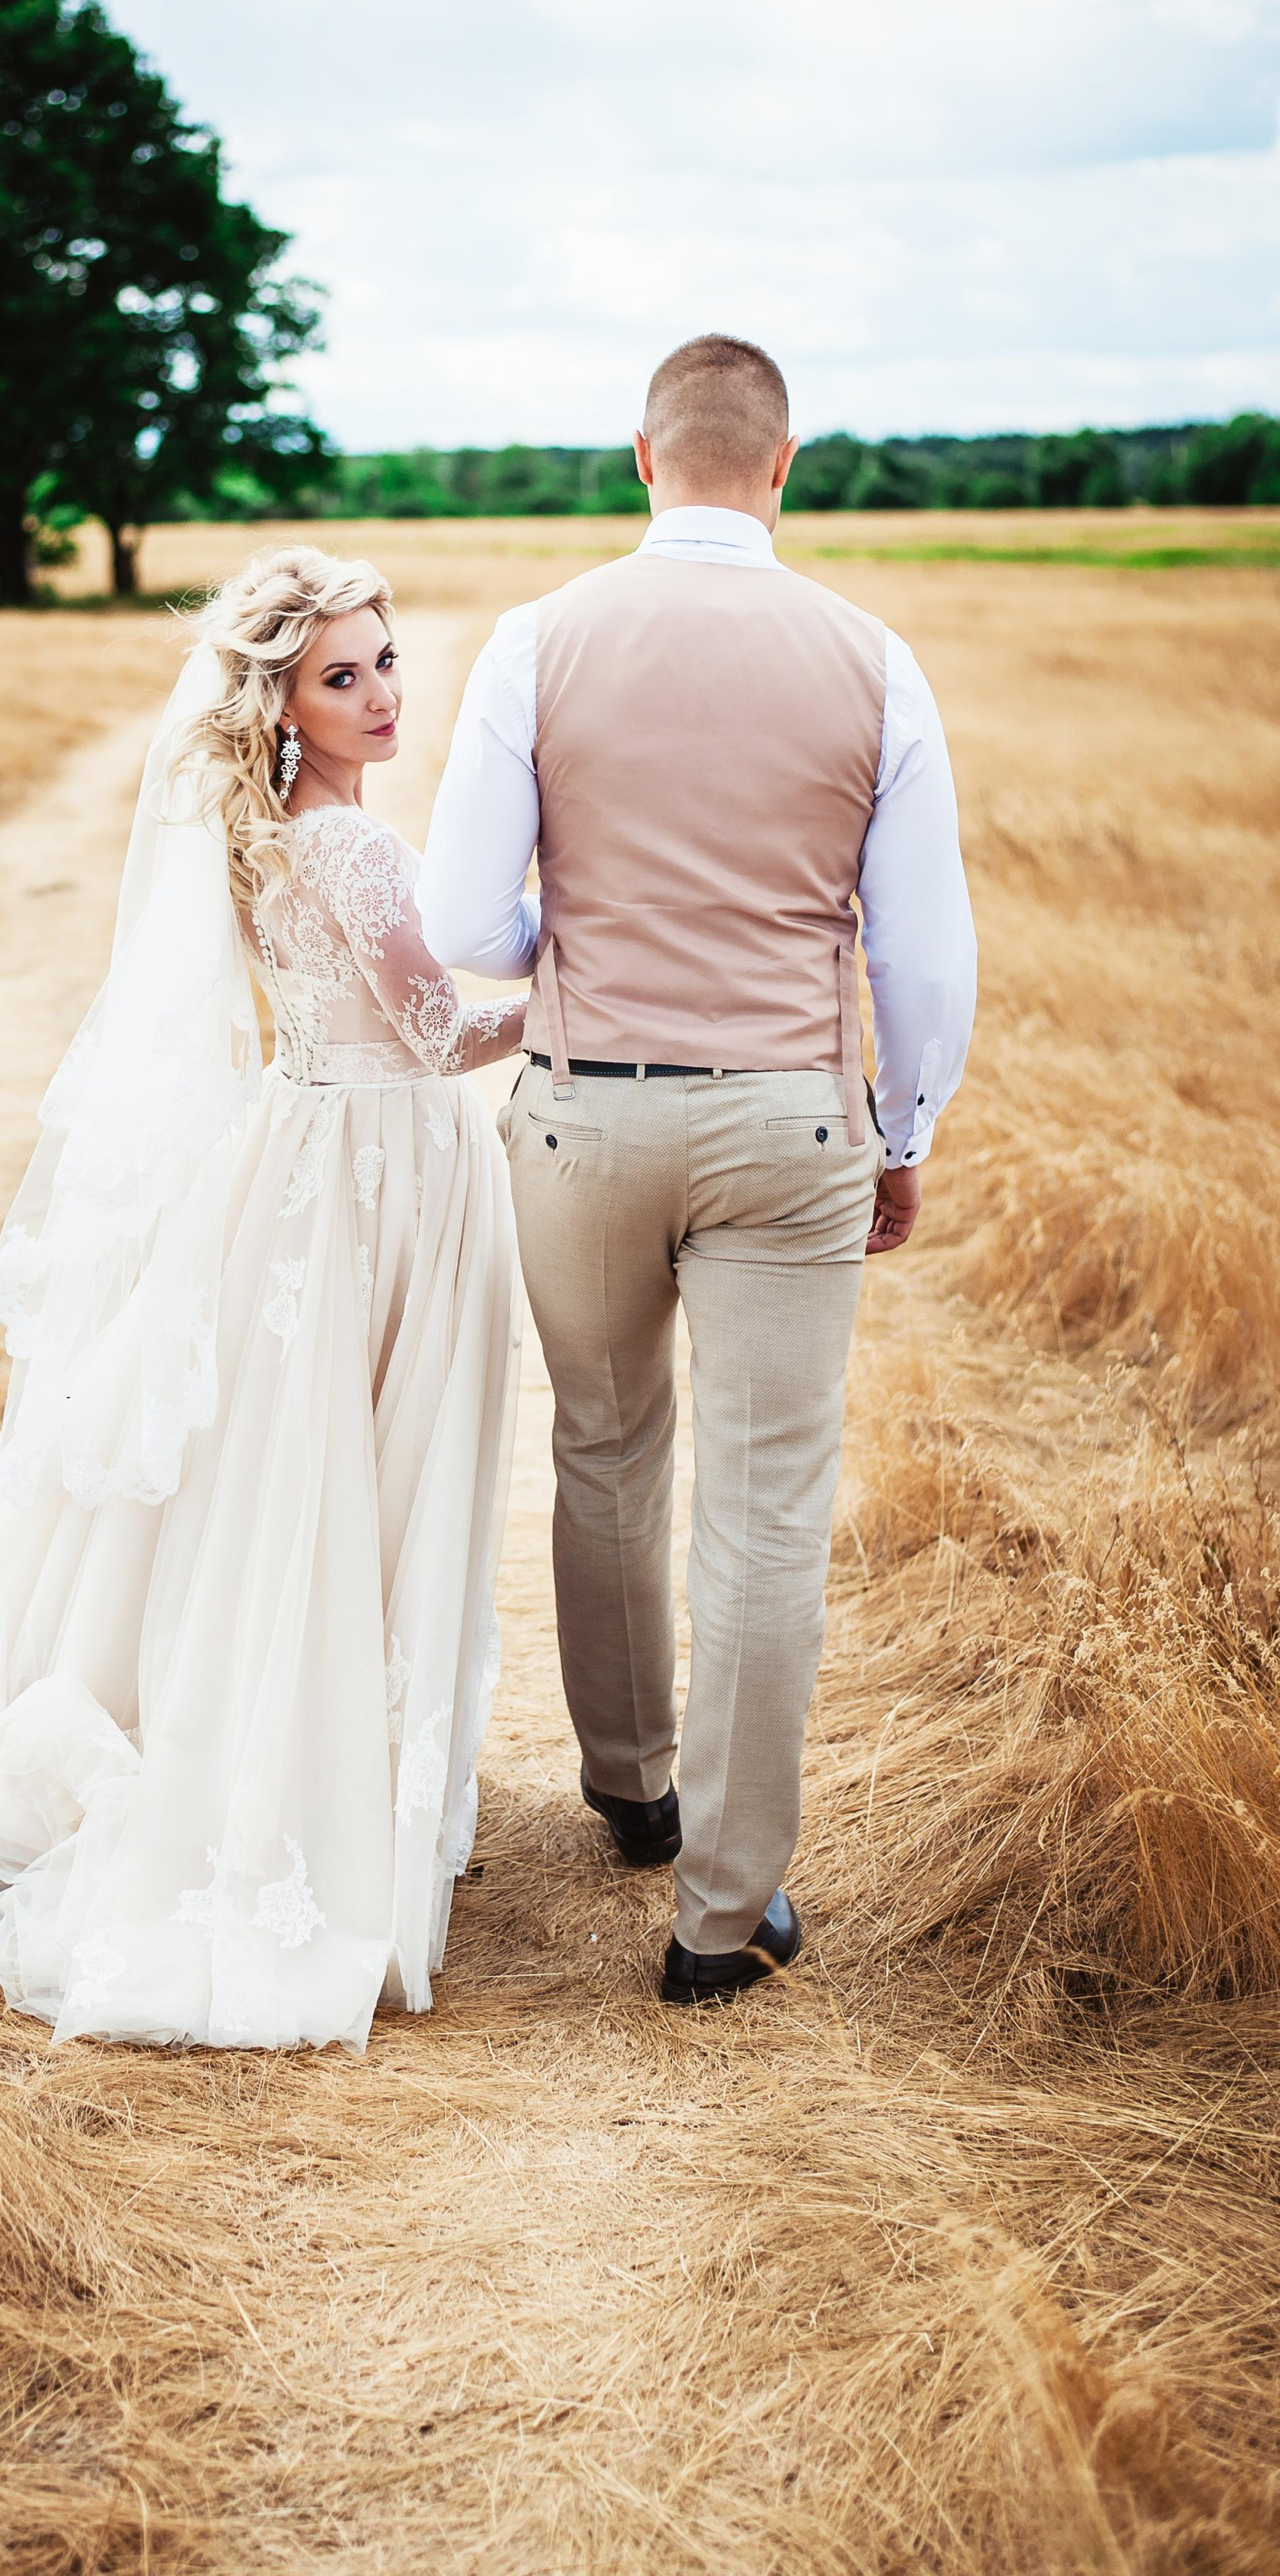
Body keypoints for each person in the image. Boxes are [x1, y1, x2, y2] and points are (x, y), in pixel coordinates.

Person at [0, 547, 527, 2051]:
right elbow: (434, 1032)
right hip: (372, 1173)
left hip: (307, 1154)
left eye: (387, 659)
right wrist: (587, 982)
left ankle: (289, 1729)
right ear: (279, 700)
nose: (384, 692)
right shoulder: (352, 850)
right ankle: (307, 1769)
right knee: (340, 1467)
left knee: (277, 1468)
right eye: (343, 674)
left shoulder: (274, 830)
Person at [419, 334, 977, 2008]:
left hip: (582, 1111)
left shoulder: (535, 640)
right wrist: (904, 1132)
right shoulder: (872, 660)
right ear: (783, 465)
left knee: (599, 1441)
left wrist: (562, 943)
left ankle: (628, 1782)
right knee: (764, 1508)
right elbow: (921, 957)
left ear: (641, 461)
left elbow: (455, 923)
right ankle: (721, 1915)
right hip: (788, 1122)